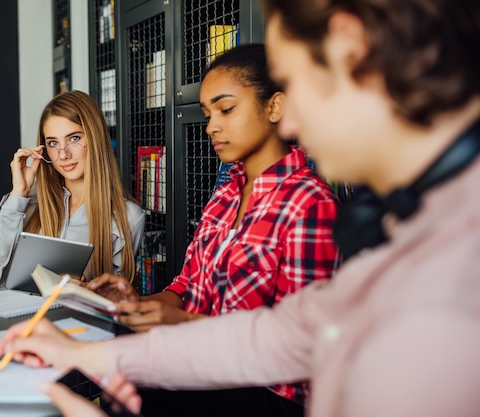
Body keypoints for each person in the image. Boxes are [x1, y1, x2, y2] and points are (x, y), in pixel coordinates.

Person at [0, 0, 480, 416]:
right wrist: (101, 359)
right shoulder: (411, 222)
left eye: (291, 82)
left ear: (348, 49)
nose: (288, 113)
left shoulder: (445, 295)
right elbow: (284, 333)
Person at [88, 43, 341, 416]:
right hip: (204, 366)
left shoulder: (309, 202)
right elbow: (188, 284)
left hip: (268, 392)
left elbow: (299, 345)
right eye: (207, 113)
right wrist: (139, 304)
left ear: (275, 107)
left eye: (226, 109)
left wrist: (186, 325)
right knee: (119, 381)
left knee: (132, 391)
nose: (212, 126)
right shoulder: (226, 190)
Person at [0, 91, 145, 290]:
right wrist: (18, 194)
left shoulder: (127, 217)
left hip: (62, 318)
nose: (63, 154)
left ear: (95, 138)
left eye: (74, 138)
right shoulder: (27, 201)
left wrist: (85, 290)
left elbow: (114, 299)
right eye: (53, 143)